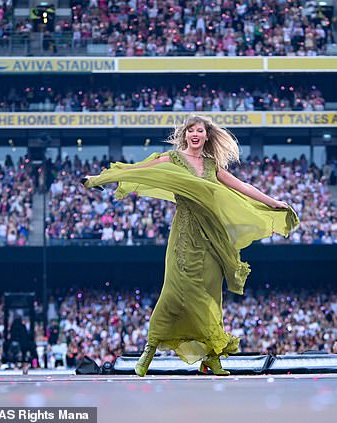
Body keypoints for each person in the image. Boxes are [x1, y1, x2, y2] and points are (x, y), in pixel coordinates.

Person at [81, 115, 298, 376]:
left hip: (212, 237)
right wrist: (98, 179)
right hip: (184, 235)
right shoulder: (172, 160)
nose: (195, 134)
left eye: (200, 130)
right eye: (191, 130)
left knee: (211, 296)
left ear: (206, 136)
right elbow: (139, 170)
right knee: (173, 293)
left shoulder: (212, 165)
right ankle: (148, 352)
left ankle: (212, 358)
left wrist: (273, 202)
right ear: (185, 135)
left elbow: (242, 186)